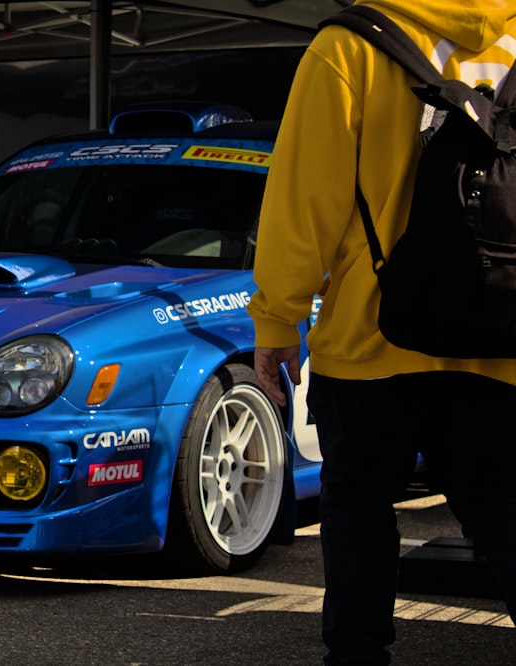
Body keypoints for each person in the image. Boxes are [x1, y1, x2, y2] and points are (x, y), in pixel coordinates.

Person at [247, 0, 516, 662]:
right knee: (507, 509)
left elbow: (305, 196)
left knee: (360, 514)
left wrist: (279, 317)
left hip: (371, 340)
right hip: (497, 339)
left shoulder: (349, 47)